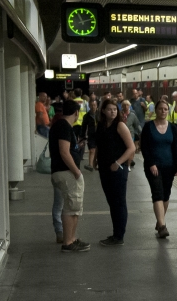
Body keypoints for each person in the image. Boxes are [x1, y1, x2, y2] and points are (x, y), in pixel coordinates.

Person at [92, 98, 136, 246]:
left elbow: (131, 148)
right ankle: (115, 233)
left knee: (119, 202)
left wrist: (118, 163)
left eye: (115, 109)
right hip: (104, 168)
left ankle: (119, 236)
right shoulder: (101, 125)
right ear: (103, 111)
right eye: (110, 109)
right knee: (112, 202)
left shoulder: (120, 126)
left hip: (118, 169)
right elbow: (99, 144)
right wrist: (95, 159)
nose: (113, 111)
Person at [48, 100, 89, 252]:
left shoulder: (60, 125)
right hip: (66, 172)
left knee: (74, 206)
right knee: (71, 207)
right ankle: (68, 242)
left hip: (63, 171)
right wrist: (76, 172)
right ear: (76, 112)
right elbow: (64, 152)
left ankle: (72, 238)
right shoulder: (64, 126)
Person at [141, 99, 177, 239]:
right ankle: (163, 226)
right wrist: (151, 163)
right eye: (161, 109)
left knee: (166, 196)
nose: (163, 111)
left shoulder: (171, 127)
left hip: (169, 166)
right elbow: (144, 147)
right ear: (156, 110)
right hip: (153, 166)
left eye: (166, 109)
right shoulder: (148, 127)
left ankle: (159, 221)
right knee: (157, 193)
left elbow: (176, 147)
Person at [121, 100, 143, 167]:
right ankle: (123, 162)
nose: (126, 107)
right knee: (123, 150)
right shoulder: (120, 115)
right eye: (124, 105)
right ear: (122, 106)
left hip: (130, 134)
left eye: (127, 105)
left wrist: (142, 133)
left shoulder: (132, 115)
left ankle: (128, 164)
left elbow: (137, 125)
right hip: (121, 135)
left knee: (131, 150)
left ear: (130, 106)